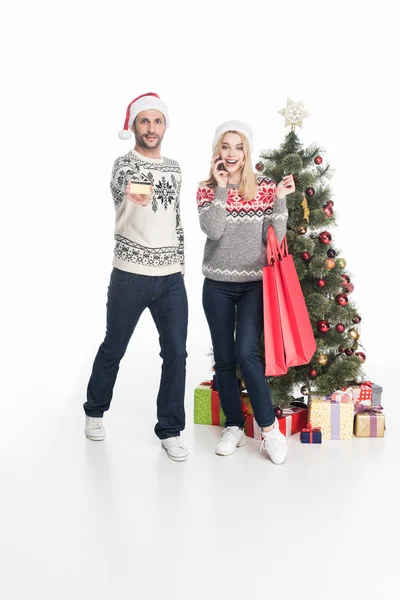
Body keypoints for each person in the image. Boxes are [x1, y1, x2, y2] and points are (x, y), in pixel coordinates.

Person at [84, 93, 189, 462]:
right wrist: (137, 190)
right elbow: (133, 187)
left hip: (171, 278)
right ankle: (94, 411)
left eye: (157, 121)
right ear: (133, 126)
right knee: (115, 345)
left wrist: (180, 264)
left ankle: (171, 429)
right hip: (130, 274)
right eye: (144, 121)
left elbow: (176, 220)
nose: (151, 128)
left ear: (165, 126)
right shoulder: (122, 164)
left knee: (176, 352)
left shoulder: (175, 169)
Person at [197, 120, 295, 464]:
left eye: (238, 147)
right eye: (226, 146)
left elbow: (277, 237)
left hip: (254, 284)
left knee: (246, 353)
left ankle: (270, 431)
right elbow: (214, 230)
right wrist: (222, 189)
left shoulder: (265, 187)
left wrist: (280, 202)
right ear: (217, 151)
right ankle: (234, 427)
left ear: (247, 151)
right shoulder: (206, 190)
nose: (233, 153)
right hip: (217, 286)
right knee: (224, 359)